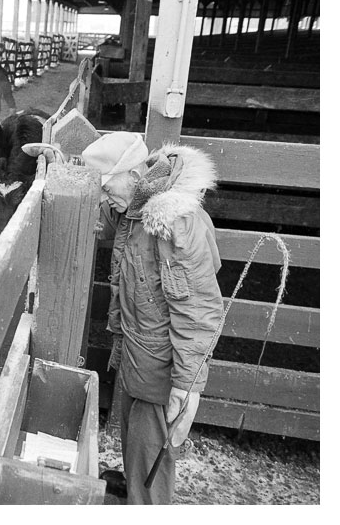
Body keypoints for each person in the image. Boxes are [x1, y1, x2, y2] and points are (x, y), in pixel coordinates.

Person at [81, 132, 224, 505]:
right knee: (136, 434)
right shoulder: (134, 207)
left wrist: (186, 386)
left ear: (132, 175)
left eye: (106, 186)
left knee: (151, 445)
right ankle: (135, 490)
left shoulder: (175, 223)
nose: (103, 196)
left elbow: (198, 312)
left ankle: (147, 504)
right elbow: (104, 222)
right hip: (138, 348)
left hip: (161, 360)